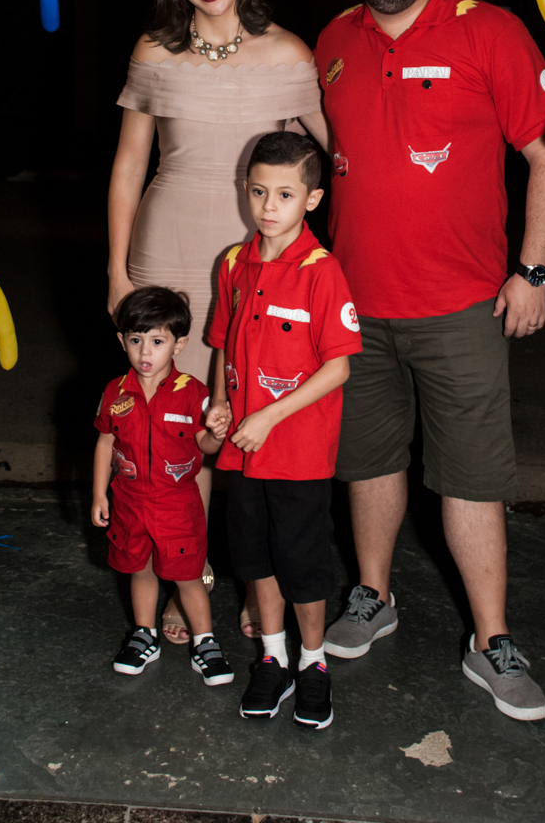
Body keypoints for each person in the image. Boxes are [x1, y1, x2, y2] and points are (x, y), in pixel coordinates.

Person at [315, 0, 545, 722]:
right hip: (355, 309)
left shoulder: (487, 31)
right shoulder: (332, 43)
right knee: (368, 462)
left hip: (461, 306)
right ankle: (371, 596)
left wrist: (530, 272)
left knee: (471, 475)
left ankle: (490, 640)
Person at [107, 0, 329, 644]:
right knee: (177, 435)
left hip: (251, 269)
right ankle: (188, 580)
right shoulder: (152, 52)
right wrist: (116, 270)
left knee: (237, 431)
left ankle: (253, 580)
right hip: (163, 256)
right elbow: (129, 167)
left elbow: (333, 168)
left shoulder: (290, 55)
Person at [207, 132, 363, 730]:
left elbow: (338, 365)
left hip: (296, 453)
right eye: (258, 192)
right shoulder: (232, 263)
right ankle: (272, 658)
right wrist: (221, 405)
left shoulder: (323, 273)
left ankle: (313, 664)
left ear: (313, 199)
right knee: (255, 558)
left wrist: (269, 415)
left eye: (285, 194)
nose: (269, 207)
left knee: (301, 562)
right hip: (243, 456)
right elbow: (222, 344)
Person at [92, 286, 234, 684]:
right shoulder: (115, 393)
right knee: (139, 569)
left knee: (187, 576)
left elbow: (203, 446)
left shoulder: (193, 394)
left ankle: (205, 642)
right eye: (136, 341)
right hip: (129, 502)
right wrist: (98, 492)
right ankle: (143, 635)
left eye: (157, 341)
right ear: (122, 341)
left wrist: (216, 433)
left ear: (179, 344)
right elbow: (105, 441)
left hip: (177, 506)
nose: (145, 352)